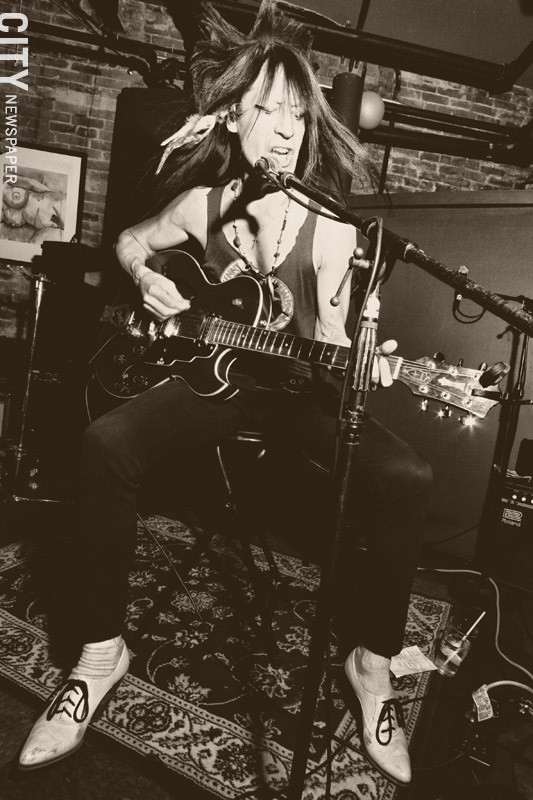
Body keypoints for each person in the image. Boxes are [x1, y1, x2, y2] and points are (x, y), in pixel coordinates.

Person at [18, 1, 432, 787]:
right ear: (233, 118)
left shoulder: (334, 229)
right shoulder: (203, 205)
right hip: (215, 380)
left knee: (407, 476)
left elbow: (332, 337)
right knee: (105, 444)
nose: (284, 131)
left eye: (298, 116)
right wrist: (143, 277)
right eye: (268, 111)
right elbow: (131, 240)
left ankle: (371, 661)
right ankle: (100, 654)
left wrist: (363, 363)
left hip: (298, 386)